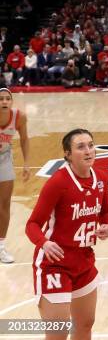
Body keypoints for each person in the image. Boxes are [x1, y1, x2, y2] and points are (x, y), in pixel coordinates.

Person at [25, 129, 108, 340]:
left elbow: (107, 213)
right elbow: (32, 224)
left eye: (91, 145)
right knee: (59, 331)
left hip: (83, 259)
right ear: (67, 154)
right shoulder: (58, 183)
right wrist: (44, 243)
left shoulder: (100, 179)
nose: (88, 150)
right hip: (54, 263)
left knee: (85, 324)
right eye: (80, 147)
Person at [0, 88, 30, 263]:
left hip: (4, 159)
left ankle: (1, 247)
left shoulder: (19, 117)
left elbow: (24, 139)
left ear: (11, 101)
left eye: (7, 99)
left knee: (3, 205)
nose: (4, 102)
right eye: (1, 99)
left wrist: (27, 163)